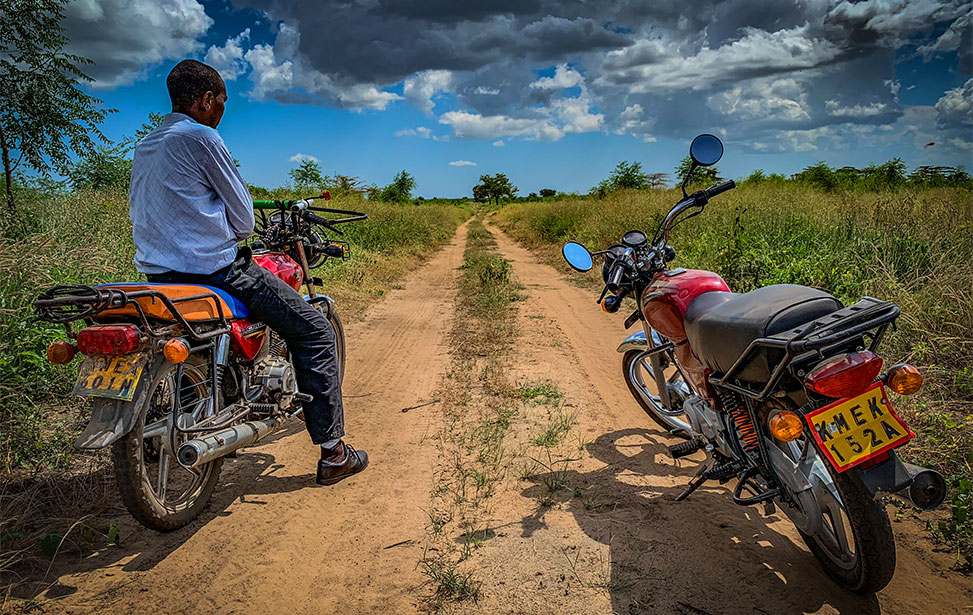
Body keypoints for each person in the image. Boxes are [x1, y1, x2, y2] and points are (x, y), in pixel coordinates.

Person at [129, 59, 367, 485]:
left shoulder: (147, 145)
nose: (221, 110)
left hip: (158, 278)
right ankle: (333, 452)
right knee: (314, 330)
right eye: (221, 102)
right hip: (213, 272)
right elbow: (242, 220)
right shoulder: (202, 137)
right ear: (205, 101)